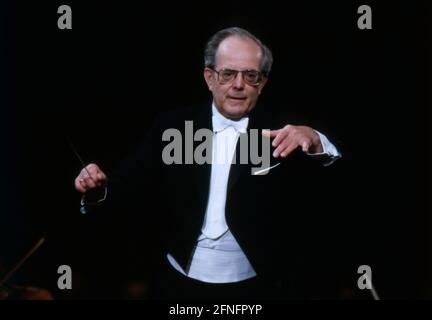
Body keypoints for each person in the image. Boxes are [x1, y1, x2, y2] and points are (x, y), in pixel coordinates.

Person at [74, 27, 342, 299]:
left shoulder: (283, 129)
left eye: (251, 76)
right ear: (209, 78)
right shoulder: (173, 127)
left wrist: (316, 140)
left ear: (263, 83)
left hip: (257, 285)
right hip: (178, 281)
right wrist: (97, 189)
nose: (239, 84)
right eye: (228, 74)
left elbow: (336, 196)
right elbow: (128, 184)